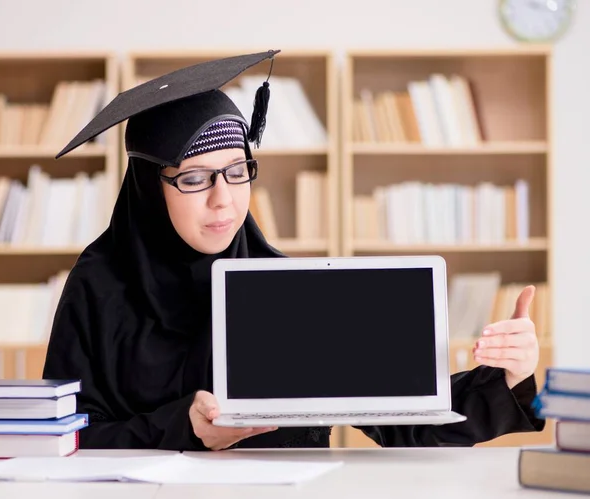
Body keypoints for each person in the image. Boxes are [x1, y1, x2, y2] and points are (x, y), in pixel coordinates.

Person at [42, 50, 545, 451]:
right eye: (194, 178)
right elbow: (63, 433)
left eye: (238, 172)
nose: (224, 199)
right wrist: (182, 428)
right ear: (150, 189)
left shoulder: (284, 287)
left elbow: (405, 417)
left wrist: (508, 376)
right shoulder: (99, 285)